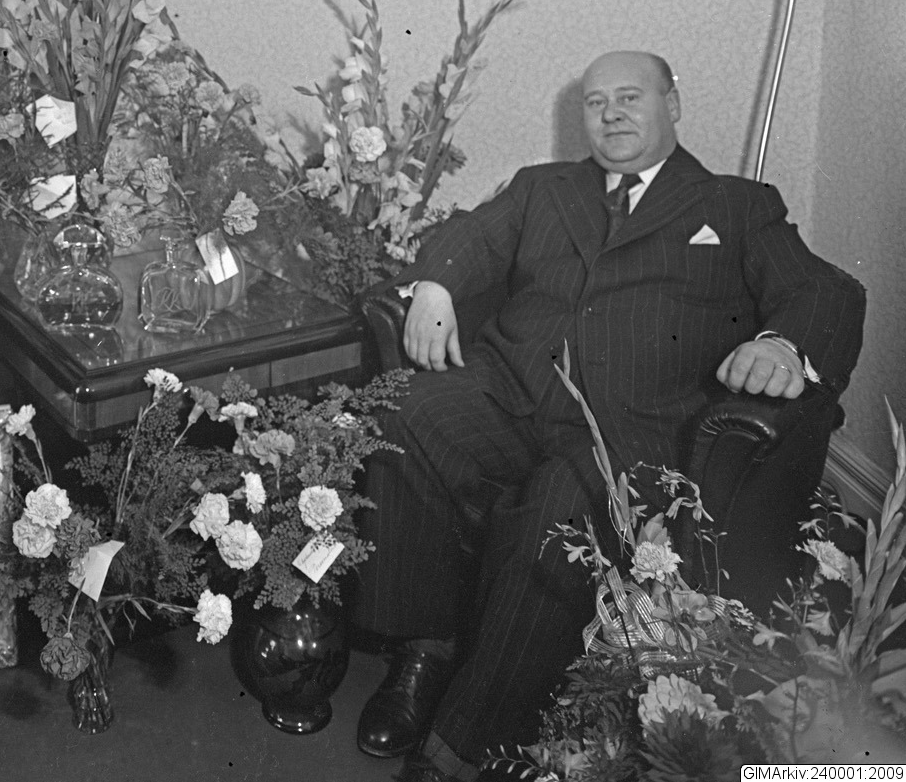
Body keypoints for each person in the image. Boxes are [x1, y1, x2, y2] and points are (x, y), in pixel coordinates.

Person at [352, 50, 866, 781]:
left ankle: (462, 748)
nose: (612, 113)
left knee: (557, 508)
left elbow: (823, 289)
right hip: (515, 390)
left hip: (629, 422)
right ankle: (423, 651)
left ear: (672, 104)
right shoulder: (541, 187)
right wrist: (434, 284)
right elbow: (471, 232)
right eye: (596, 102)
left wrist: (782, 343)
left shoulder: (736, 204)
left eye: (631, 96)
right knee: (404, 409)